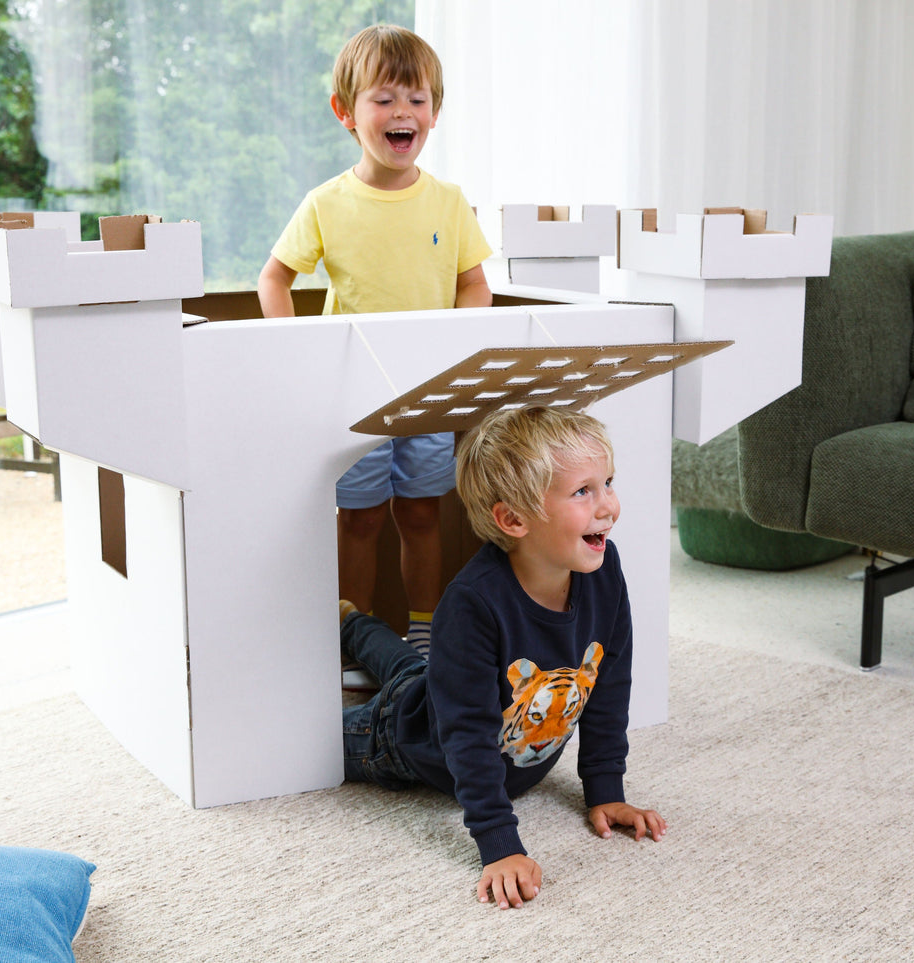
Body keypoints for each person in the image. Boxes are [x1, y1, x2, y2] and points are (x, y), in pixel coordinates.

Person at [339, 406, 667, 909]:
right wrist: (499, 843)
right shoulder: (472, 603)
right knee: (305, 741)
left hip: (442, 689)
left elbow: (610, 681)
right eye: (583, 491)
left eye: (607, 483)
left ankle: (351, 620)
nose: (609, 506)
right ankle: (348, 623)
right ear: (513, 519)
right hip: (406, 739)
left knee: (416, 670)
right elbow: (466, 731)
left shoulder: (603, 569)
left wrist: (606, 789)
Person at [258, 24, 492, 654]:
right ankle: (354, 638)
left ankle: (424, 634)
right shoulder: (325, 202)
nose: (402, 112)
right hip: (352, 394)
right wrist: (294, 352)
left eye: (417, 99)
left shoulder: (449, 202)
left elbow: (475, 285)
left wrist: (455, 343)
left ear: (434, 114)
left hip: (425, 391)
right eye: (384, 99)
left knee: (421, 513)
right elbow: (273, 279)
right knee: (358, 518)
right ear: (346, 112)